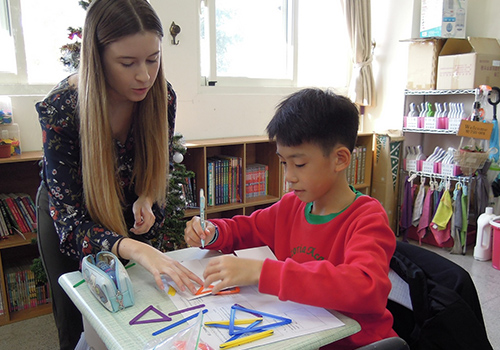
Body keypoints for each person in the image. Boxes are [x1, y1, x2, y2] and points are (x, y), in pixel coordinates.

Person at [35, 1, 202, 349]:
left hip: (132, 206)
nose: (144, 75)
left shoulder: (161, 95)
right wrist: (138, 251)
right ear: (97, 58)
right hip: (72, 216)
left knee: (141, 308)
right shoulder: (62, 109)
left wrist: (145, 195)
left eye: (153, 59)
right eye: (128, 63)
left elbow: (159, 162)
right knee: (80, 324)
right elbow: (70, 222)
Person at [184, 88, 398, 349]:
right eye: (284, 163)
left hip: (356, 343)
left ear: (340, 159)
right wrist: (213, 231)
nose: (288, 176)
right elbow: (248, 229)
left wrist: (263, 272)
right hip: (302, 334)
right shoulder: (291, 206)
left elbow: (366, 288)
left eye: (299, 164)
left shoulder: (367, 218)